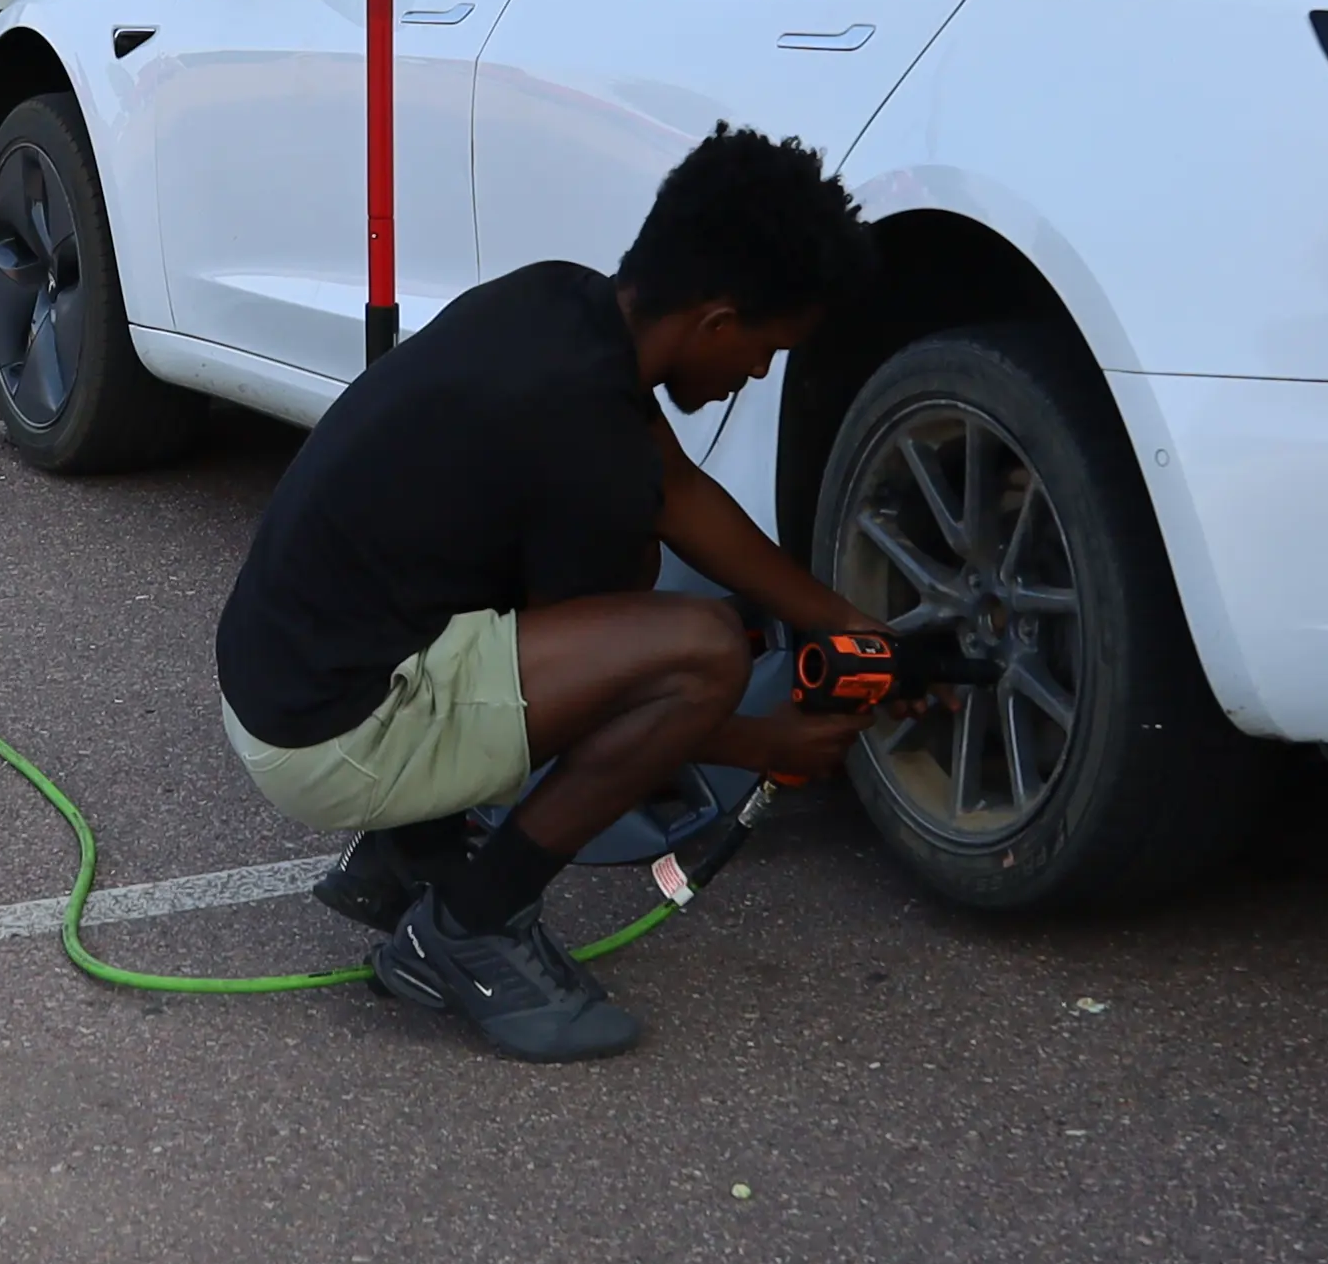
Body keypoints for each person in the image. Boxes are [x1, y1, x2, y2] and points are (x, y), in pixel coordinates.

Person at [211, 124, 893, 1062]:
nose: (759, 373)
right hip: (332, 737)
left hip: (282, 672)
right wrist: (765, 742)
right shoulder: (588, 447)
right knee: (701, 653)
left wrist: (846, 624)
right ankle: (471, 928)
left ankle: (406, 856)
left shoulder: (557, 303)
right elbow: (607, 709)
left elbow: (680, 493)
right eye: (767, 349)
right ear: (717, 323)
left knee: (646, 620)